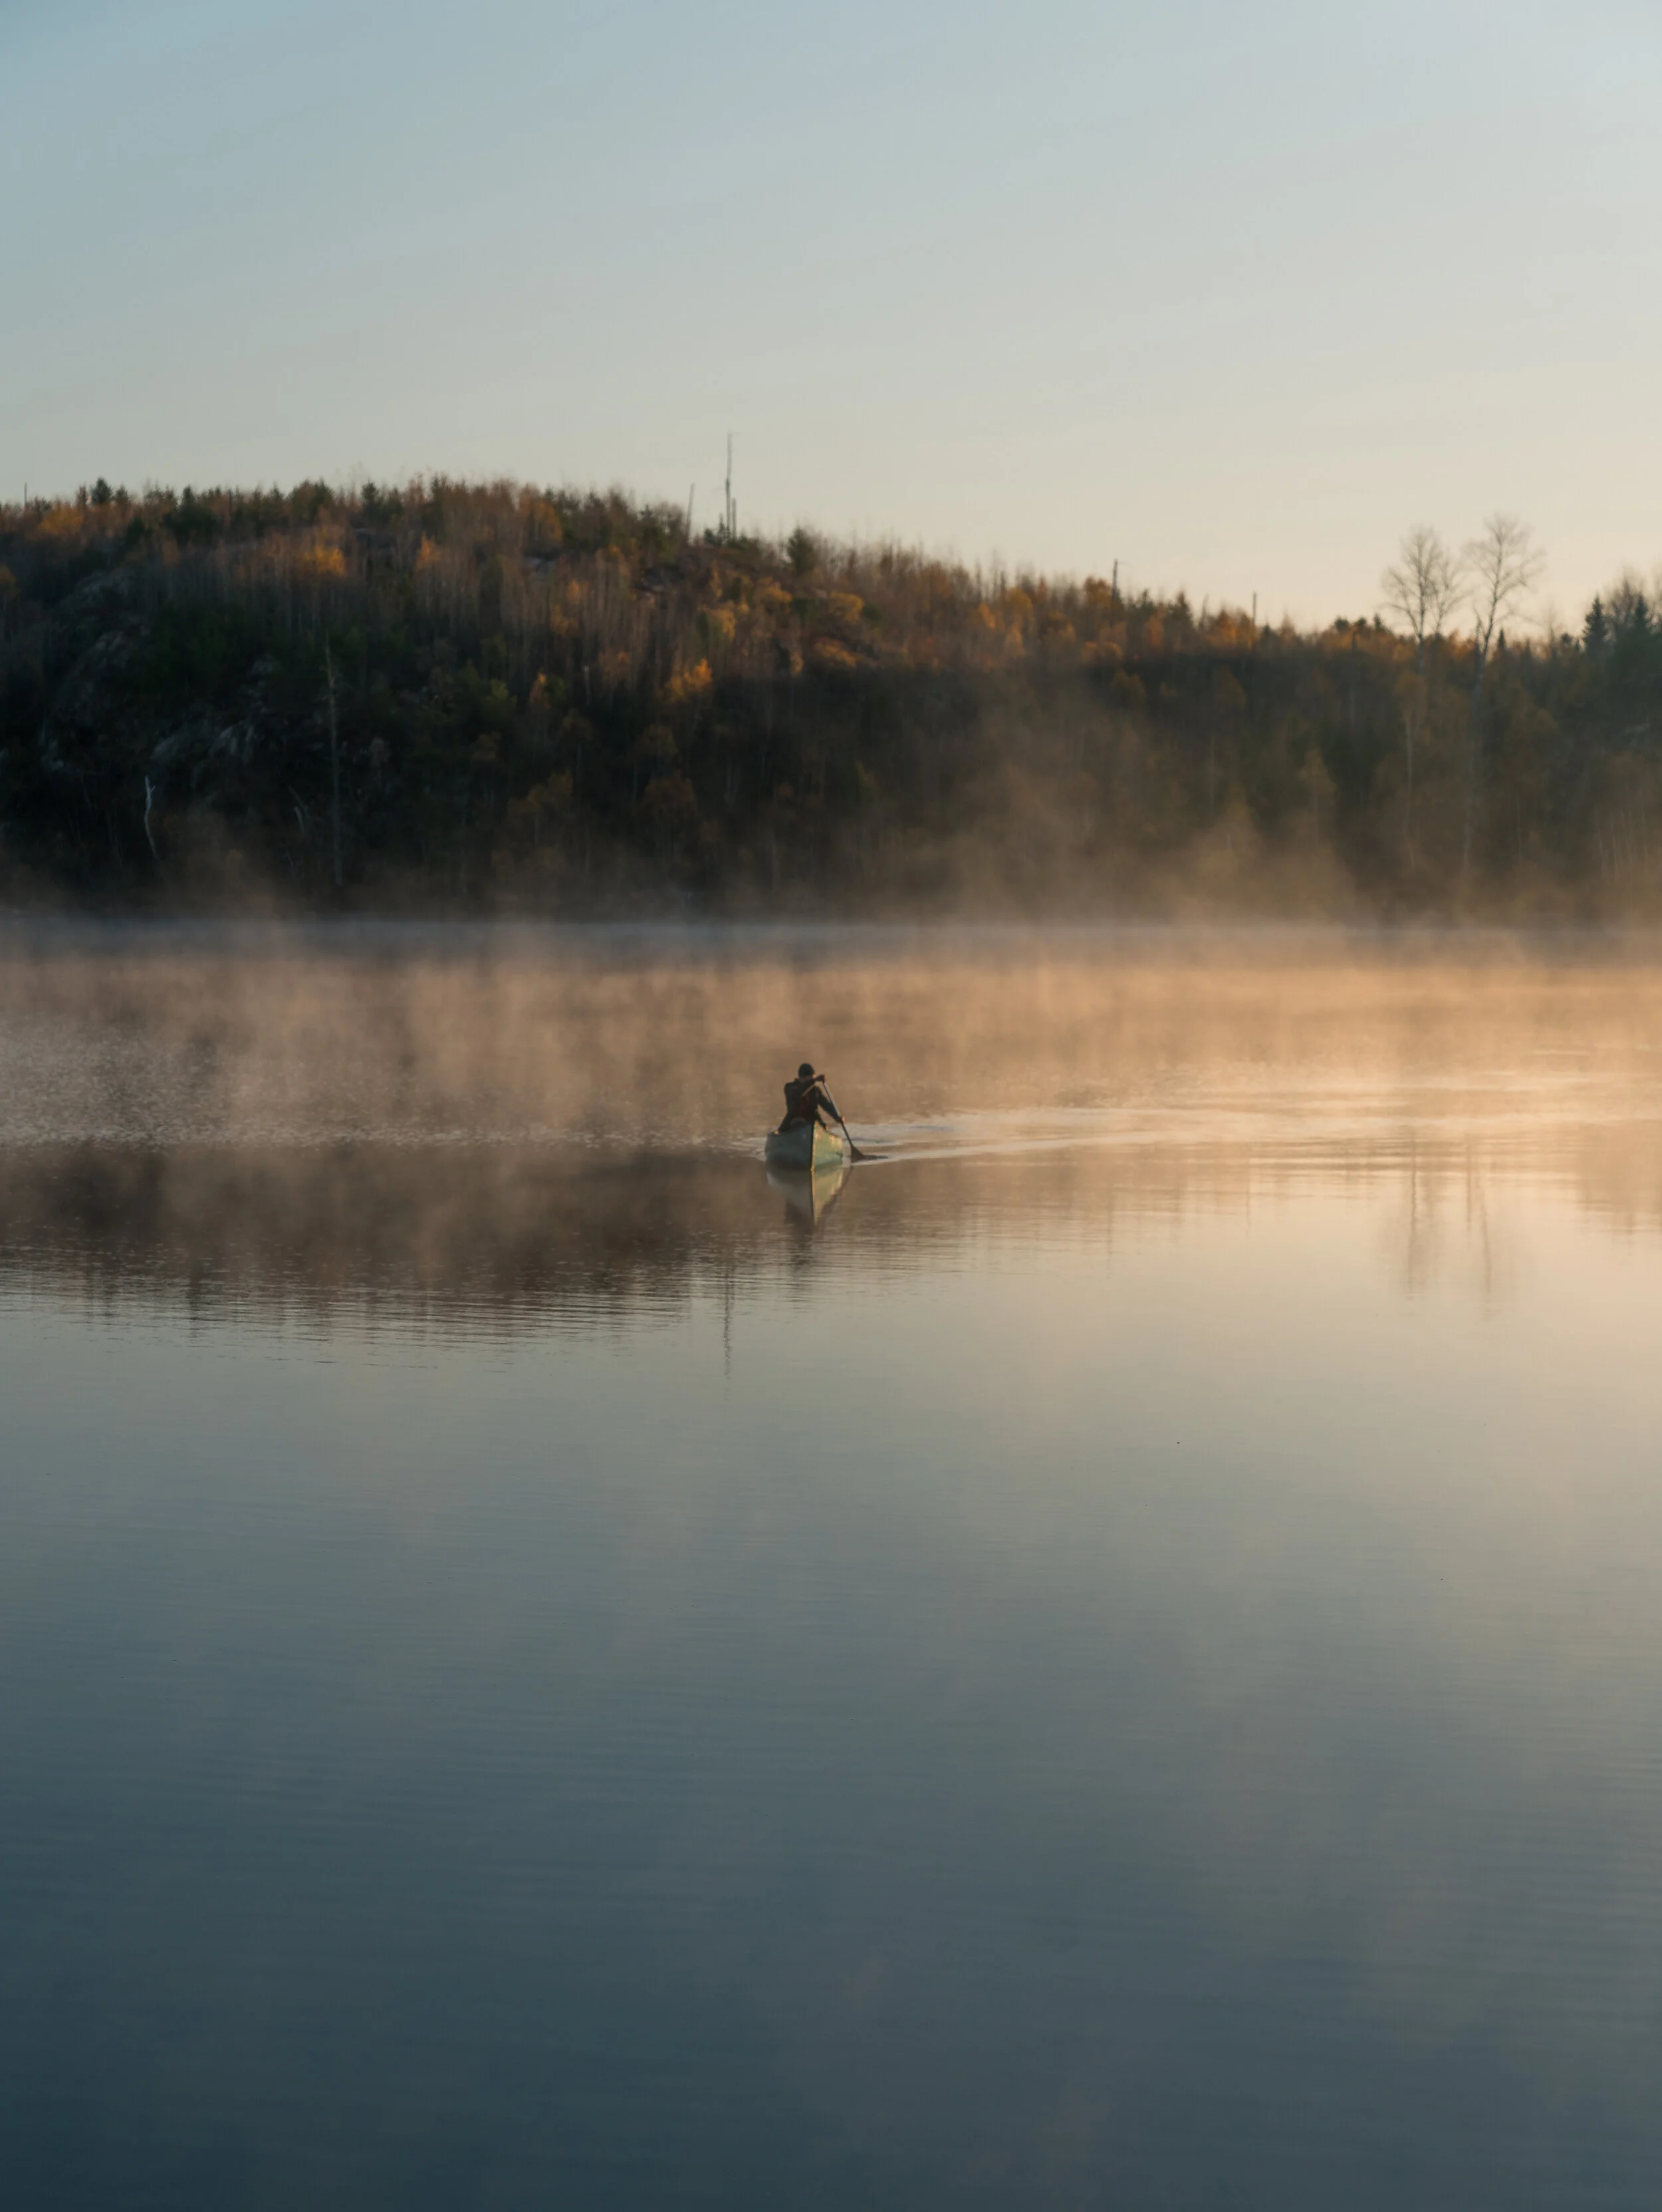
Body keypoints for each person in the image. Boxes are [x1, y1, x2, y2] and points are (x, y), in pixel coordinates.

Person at [779, 1061, 840, 1135]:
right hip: (794, 1121)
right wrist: (813, 1081)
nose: (812, 1081)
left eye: (813, 1078)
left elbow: (826, 1104)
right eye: (809, 1078)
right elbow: (800, 1093)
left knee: (824, 1128)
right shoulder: (790, 1087)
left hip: (812, 1121)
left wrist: (837, 1117)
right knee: (799, 1122)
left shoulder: (815, 1091)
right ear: (802, 1078)